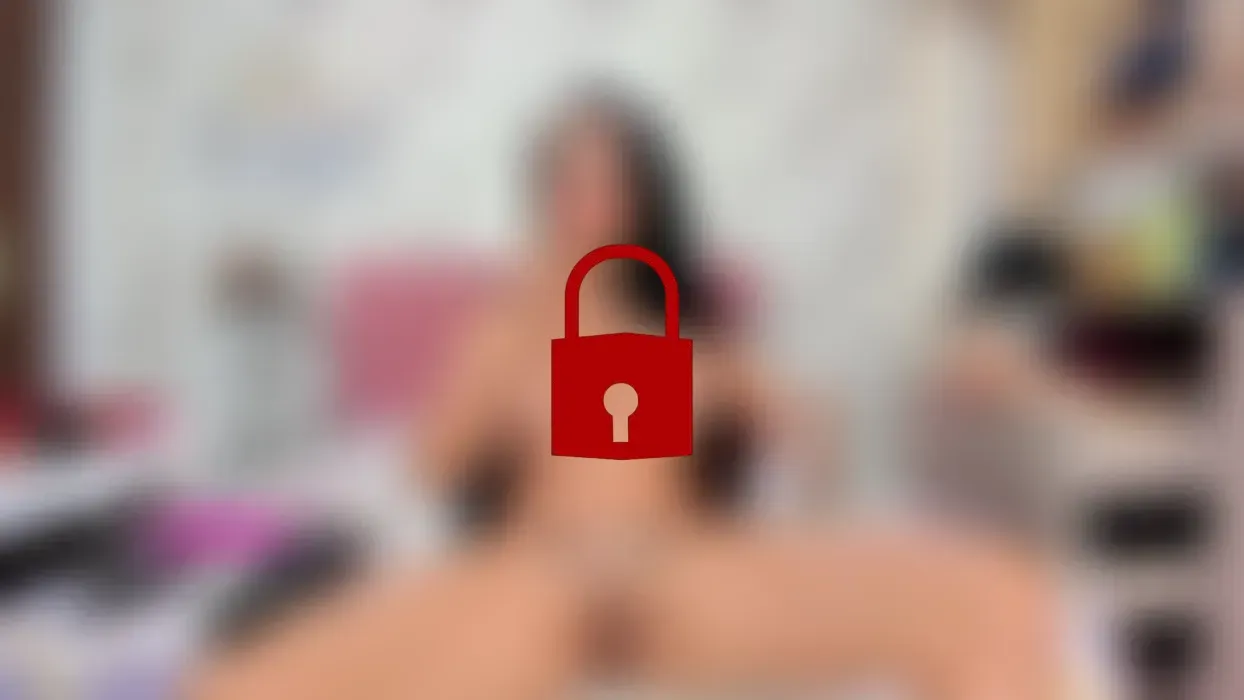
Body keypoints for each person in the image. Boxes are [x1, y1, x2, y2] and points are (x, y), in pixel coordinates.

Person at [193, 85, 1060, 699]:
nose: (589, 204)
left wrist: (800, 429)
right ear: (541, 198)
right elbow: (424, 475)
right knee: (245, 680)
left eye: (611, 181)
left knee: (1000, 591)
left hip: (686, 569)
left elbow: (814, 460)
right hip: (540, 571)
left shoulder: (690, 339)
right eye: (568, 182)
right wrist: (505, 345)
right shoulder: (505, 330)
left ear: (643, 200)